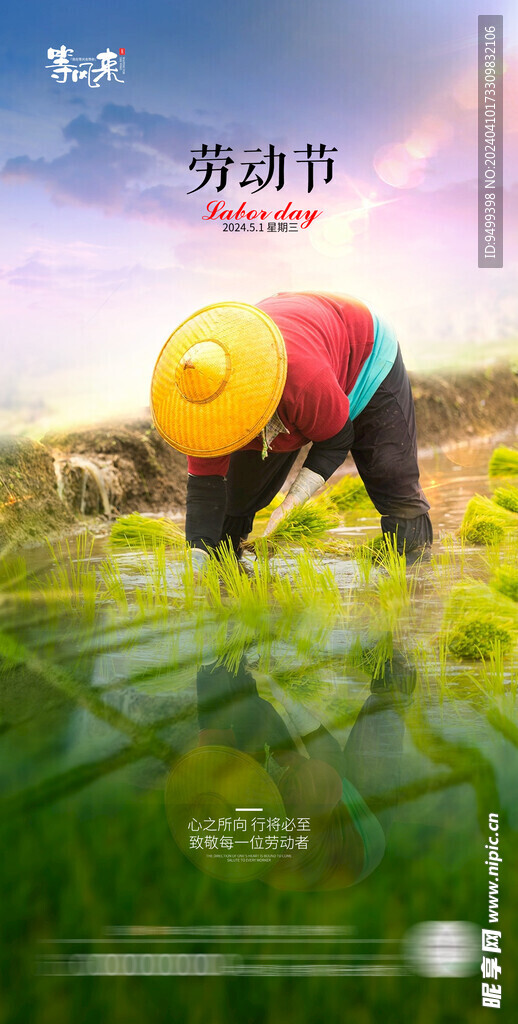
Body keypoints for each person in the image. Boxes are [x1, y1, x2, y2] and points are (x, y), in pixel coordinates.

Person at [151, 292, 432, 561]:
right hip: (298, 336)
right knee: (235, 497)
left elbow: (337, 438)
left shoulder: (302, 382)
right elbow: (205, 488)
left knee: (391, 474)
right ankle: (226, 566)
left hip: (362, 348)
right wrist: (197, 558)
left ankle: (413, 566)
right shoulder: (200, 405)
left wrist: (292, 503)